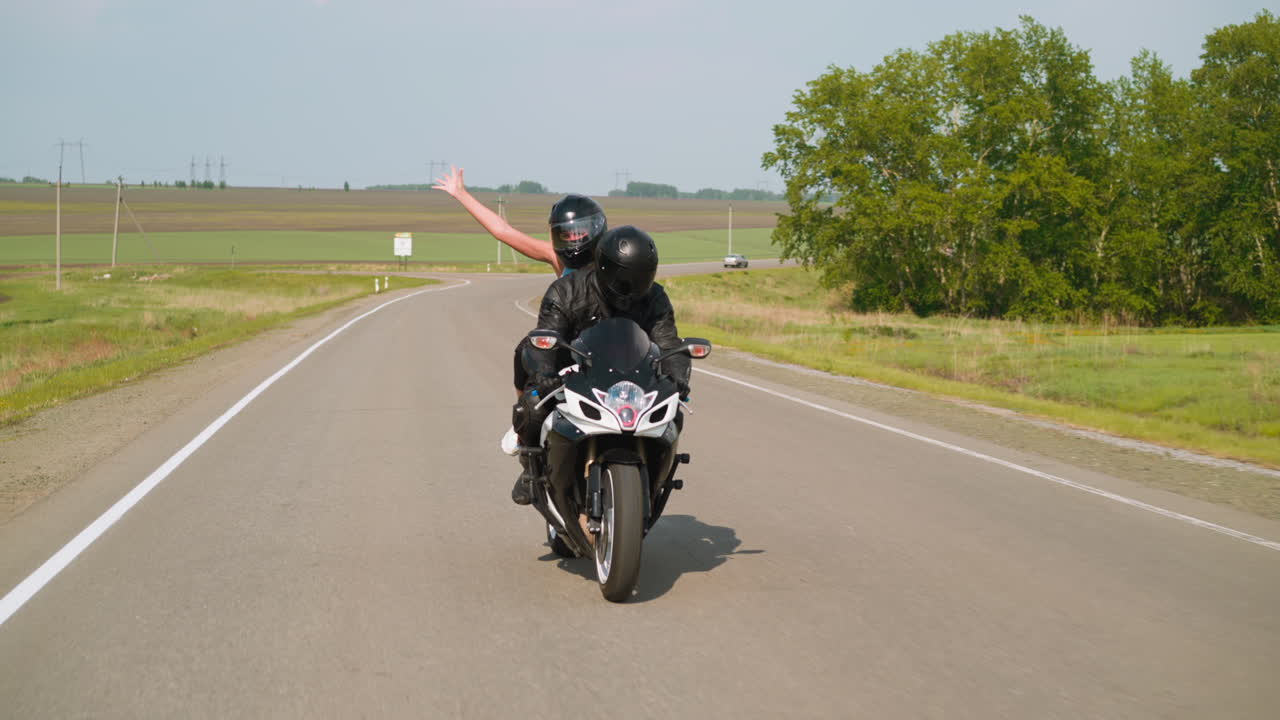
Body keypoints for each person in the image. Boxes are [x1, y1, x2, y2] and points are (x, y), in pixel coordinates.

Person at [509, 225, 692, 505]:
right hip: (571, 371)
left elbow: (668, 343)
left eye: (642, 277)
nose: (633, 285)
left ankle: (654, 483)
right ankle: (530, 469)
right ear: (605, 266)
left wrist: (678, 378)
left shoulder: (654, 297)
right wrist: (544, 373)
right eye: (625, 277)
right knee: (532, 407)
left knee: (672, 414)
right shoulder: (567, 291)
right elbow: (545, 337)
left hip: (632, 376)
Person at [432, 166, 609, 453]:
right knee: (525, 351)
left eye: (581, 231)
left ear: (596, 228)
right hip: (567, 343)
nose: (575, 238)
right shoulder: (557, 257)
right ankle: (523, 421)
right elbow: (503, 231)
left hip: (610, 343)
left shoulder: (614, 258)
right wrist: (462, 194)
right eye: (568, 233)